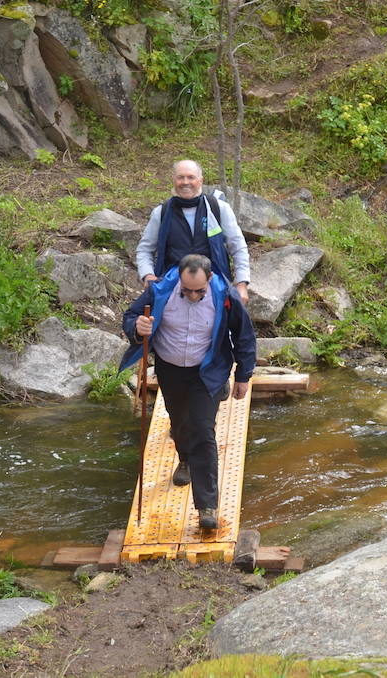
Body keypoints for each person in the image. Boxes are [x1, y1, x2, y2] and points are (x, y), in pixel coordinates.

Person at [119, 253, 256, 532]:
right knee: (180, 424)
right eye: (187, 291)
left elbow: (244, 335)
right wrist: (137, 327)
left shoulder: (224, 295)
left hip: (207, 370)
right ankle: (185, 459)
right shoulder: (160, 291)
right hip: (171, 370)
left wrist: (243, 376)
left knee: (203, 430)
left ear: (210, 279)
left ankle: (207, 507)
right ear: (179, 280)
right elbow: (131, 316)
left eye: (199, 291)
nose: (193, 296)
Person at [136, 159, 251, 305]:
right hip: (171, 289)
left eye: (191, 177)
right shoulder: (161, 213)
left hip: (214, 288)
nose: (185, 182)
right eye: (180, 177)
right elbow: (145, 249)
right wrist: (148, 275)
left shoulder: (218, 209)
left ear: (201, 180)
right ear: (173, 180)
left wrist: (242, 283)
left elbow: (238, 246)